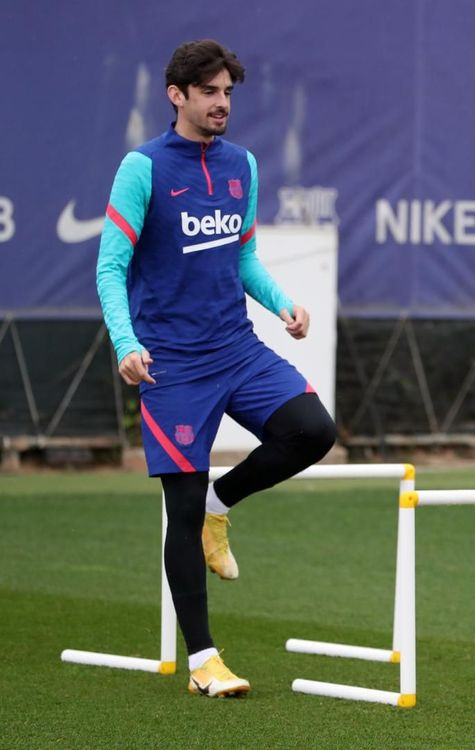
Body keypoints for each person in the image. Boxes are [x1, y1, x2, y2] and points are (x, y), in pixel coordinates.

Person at [95, 39, 336, 698]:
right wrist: (125, 342)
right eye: (209, 92)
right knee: (177, 505)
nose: (222, 103)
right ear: (177, 94)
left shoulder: (242, 165)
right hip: (170, 363)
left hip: (236, 347)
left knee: (313, 430)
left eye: (228, 92)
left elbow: (244, 258)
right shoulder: (142, 168)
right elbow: (111, 267)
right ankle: (204, 658)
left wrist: (283, 302)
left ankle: (218, 504)